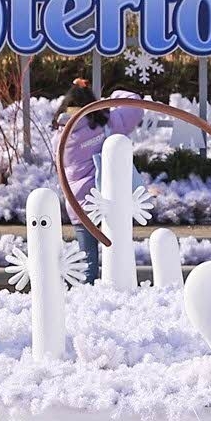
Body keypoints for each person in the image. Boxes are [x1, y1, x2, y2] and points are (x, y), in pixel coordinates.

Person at [57, 79, 140, 285]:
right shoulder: (107, 124)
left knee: (87, 262)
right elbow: (134, 102)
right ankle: (119, 291)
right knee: (118, 254)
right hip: (107, 200)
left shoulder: (60, 137)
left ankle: (86, 298)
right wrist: (107, 101)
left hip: (78, 204)